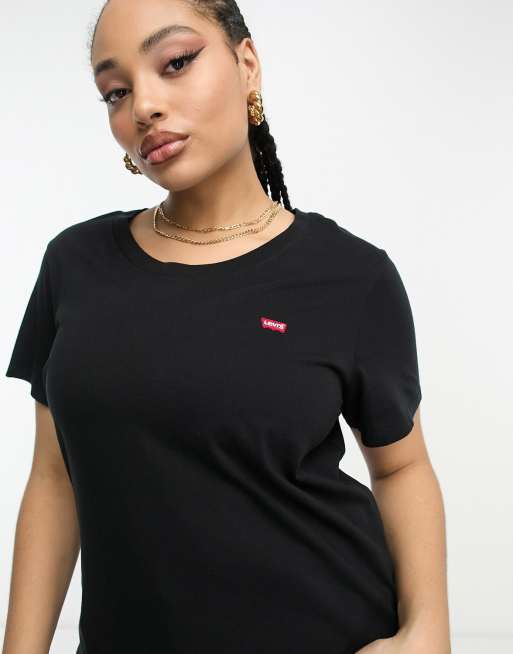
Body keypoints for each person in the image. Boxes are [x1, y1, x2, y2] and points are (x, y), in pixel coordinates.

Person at [3, 1, 451, 653]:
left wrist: (427, 629)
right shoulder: (74, 265)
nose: (143, 106)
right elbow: (53, 476)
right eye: (116, 91)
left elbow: (402, 465)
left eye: (175, 62)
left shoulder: (351, 276)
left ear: (246, 65)